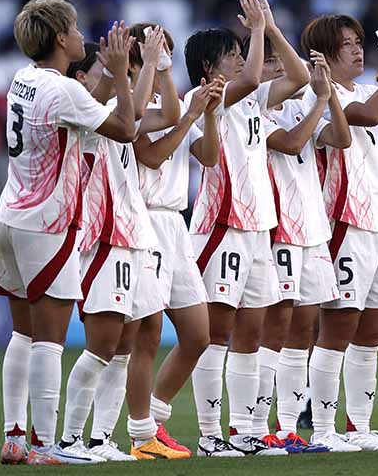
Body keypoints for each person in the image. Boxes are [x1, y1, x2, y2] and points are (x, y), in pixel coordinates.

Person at [0, 0, 137, 466]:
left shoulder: (24, 78)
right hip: (48, 222)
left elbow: (81, 113)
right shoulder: (65, 90)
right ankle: (42, 446)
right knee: (49, 340)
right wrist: (119, 70)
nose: (83, 36)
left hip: (10, 213)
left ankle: (15, 437)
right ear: (60, 38)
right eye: (76, 28)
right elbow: (127, 129)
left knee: (21, 334)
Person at [186, 0, 308, 457]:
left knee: (252, 332)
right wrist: (257, 29)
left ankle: (242, 431)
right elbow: (257, 74)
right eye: (232, 55)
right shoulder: (204, 99)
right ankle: (209, 435)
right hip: (223, 226)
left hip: (258, 227)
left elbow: (297, 76)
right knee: (217, 333)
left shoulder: (252, 99)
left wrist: (272, 30)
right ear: (209, 68)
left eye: (242, 53)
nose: (243, 61)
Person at [300, 17, 378, 451]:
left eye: (359, 42)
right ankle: (322, 429)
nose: (358, 51)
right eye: (347, 45)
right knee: (339, 328)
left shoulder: (362, 92)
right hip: (346, 221)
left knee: (372, 332)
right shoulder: (320, 94)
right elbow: (372, 115)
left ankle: (359, 427)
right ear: (324, 54)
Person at [60, 28, 182, 461]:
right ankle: (69, 439)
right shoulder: (87, 114)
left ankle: (100, 439)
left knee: (125, 348)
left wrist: (159, 65)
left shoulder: (117, 108)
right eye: (102, 69)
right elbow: (127, 124)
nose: (114, 76)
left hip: (133, 235)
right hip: (103, 237)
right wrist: (142, 64)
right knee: (103, 345)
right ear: (79, 81)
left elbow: (168, 113)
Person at [247, 37, 350, 452]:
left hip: (312, 227)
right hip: (280, 228)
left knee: (304, 329)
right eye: (269, 63)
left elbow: (340, 138)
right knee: (277, 326)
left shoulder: (298, 104)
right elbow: (290, 144)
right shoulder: (253, 110)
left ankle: (288, 426)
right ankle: (254, 424)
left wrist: (326, 99)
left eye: (280, 63)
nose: (277, 70)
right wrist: (320, 102)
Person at [128, 23, 225, 455]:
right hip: (143, 219)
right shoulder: (126, 107)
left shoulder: (175, 103)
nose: (163, 56)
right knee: (145, 336)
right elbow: (149, 155)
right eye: (155, 52)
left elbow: (208, 157)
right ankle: (140, 434)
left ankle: (155, 416)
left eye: (167, 50)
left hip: (174, 224)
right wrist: (188, 116)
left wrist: (203, 114)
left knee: (198, 334)